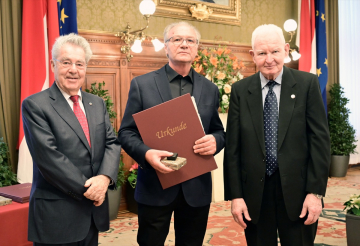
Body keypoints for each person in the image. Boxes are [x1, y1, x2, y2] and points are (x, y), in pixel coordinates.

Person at [118, 21, 225, 246]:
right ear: (166, 46)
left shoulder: (210, 88)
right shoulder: (142, 84)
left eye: (190, 40)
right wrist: (146, 154)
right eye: (177, 39)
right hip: (155, 186)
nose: (184, 44)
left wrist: (216, 141)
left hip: (196, 187)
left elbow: (218, 130)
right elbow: (126, 132)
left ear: (197, 48)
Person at [223, 24, 331, 246]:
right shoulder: (240, 91)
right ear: (253, 55)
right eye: (262, 53)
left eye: (275, 51)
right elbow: (233, 148)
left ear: (286, 49)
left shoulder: (306, 84)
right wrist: (236, 196)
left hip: (299, 192)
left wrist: (315, 193)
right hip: (255, 194)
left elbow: (320, 142)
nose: (269, 59)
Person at [22, 33, 121, 246]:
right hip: (57, 215)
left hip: (92, 213)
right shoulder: (35, 105)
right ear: (53, 65)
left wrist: (104, 179)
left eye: (80, 63)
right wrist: (92, 191)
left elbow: (112, 142)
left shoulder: (97, 103)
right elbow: (49, 158)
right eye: (66, 62)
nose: (73, 69)